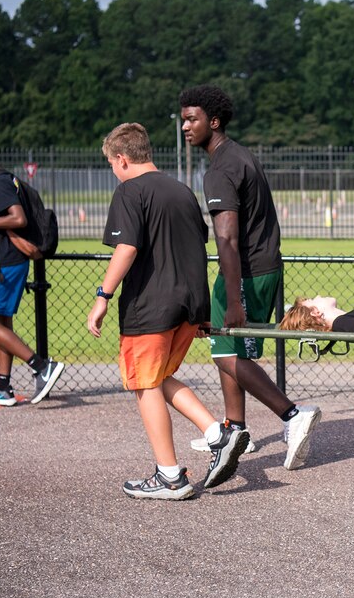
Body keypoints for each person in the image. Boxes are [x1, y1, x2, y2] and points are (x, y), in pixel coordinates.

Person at [86, 123, 247, 500]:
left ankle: (170, 476)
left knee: (144, 383)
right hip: (188, 305)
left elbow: (126, 249)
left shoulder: (130, 191)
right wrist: (201, 309)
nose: (113, 170)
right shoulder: (181, 190)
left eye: (112, 163)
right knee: (159, 377)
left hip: (151, 306)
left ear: (122, 159)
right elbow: (196, 249)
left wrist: (102, 296)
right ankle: (218, 434)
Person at [179, 85, 320, 470]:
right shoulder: (240, 155)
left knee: (225, 353)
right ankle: (235, 428)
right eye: (183, 119)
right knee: (233, 351)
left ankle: (292, 415)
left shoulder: (221, 169)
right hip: (262, 266)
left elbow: (226, 237)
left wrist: (235, 298)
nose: (184, 126)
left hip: (245, 271)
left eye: (192, 119)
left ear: (214, 121)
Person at [0, 128, 64, 407]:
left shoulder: (1, 183)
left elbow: (18, 219)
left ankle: (42, 366)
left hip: (6, 264)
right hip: (1, 262)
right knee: (2, 324)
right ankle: (2, 387)